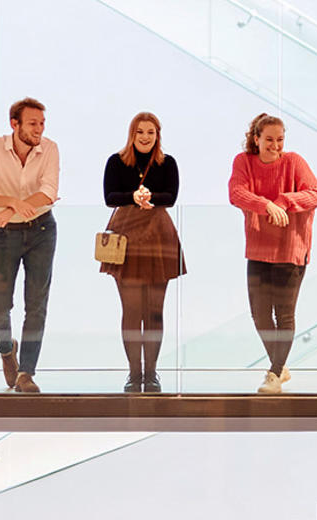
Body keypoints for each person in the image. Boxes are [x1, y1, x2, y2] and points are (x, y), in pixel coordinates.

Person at [228, 113, 317, 394]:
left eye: (280, 139)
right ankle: (280, 366)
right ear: (256, 139)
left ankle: (273, 374)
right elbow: (236, 192)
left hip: (290, 249)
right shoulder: (243, 162)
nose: (275, 145)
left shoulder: (294, 162)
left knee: (284, 315)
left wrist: (284, 201)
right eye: (269, 139)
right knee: (259, 315)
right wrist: (266, 205)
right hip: (259, 250)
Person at [0, 97, 60, 393]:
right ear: (15, 124)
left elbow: (48, 192)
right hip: (3, 234)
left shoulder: (50, 149)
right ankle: (7, 349)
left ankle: (27, 373)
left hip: (42, 230)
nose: (39, 129)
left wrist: (12, 210)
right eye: (33, 123)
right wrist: (11, 203)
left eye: (42, 123)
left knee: (36, 305)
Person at [99, 112, 185, 393]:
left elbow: (171, 197)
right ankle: (134, 375)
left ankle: (152, 374)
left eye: (151, 132)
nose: (146, 137)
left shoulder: (167, 163)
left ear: (157, 134)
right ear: (132, 134)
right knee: (132, 310)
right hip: (126, 235)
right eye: (140, 132)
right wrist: (132, 198)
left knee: (155, 311)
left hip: (159, 236)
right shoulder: (116, 161)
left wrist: (149, 198)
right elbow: (109, 196)